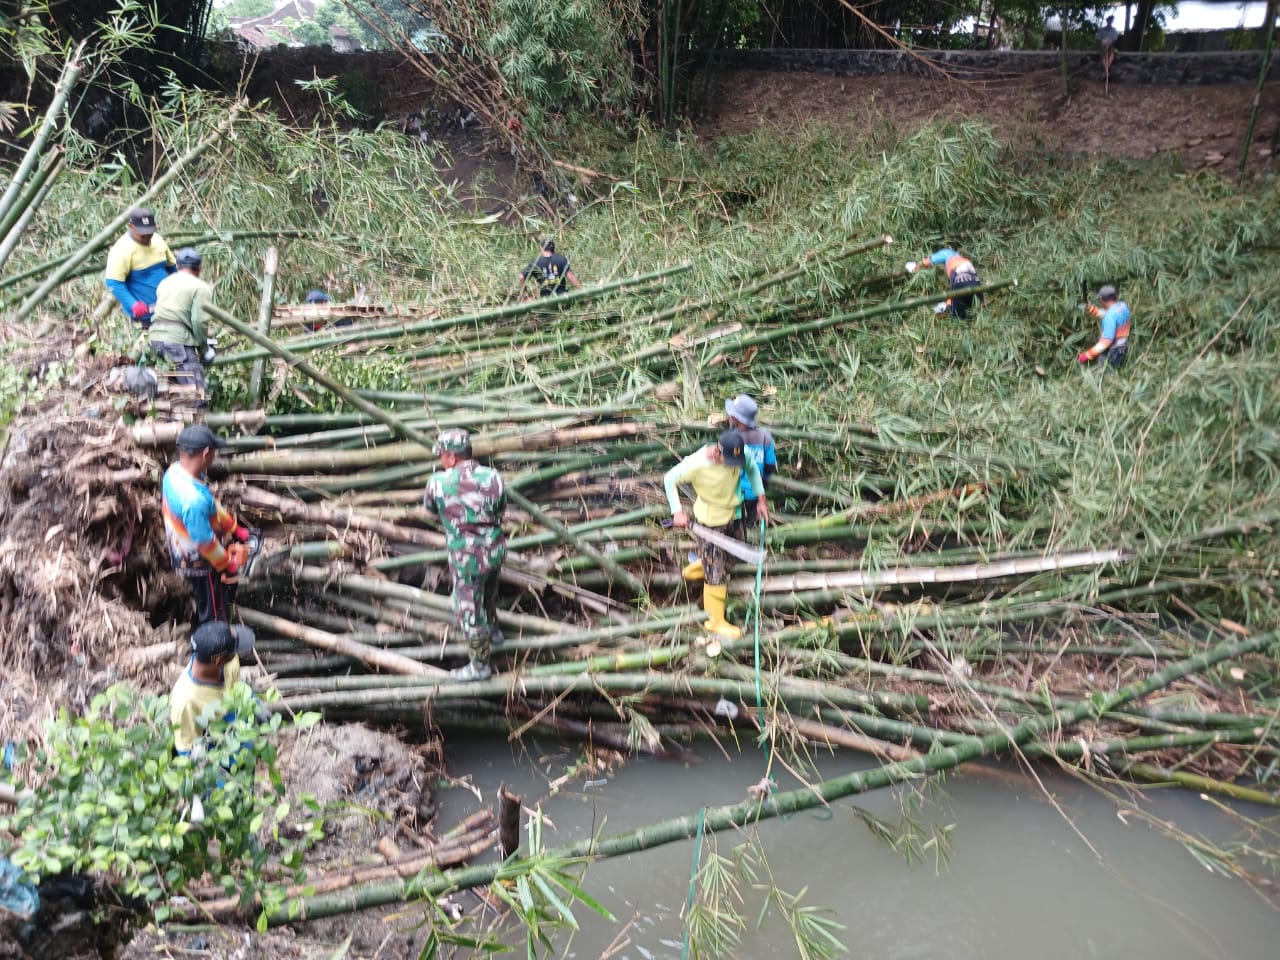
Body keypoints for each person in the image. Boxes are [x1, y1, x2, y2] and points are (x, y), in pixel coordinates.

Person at [665, 430, 769, 642]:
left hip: (733, 514)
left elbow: (752, 469)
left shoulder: (740, 454)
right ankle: (715, 621)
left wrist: (761, 499)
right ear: (717, 452)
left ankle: (701, 565)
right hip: (710, 522)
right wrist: (677, 511)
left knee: (734, 558)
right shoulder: (697, 464)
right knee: (716, 575)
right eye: (729, 461)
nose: (733, 465)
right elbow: (669, 479)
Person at [423, 429, 507, 682]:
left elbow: (430, 510)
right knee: (489, 592)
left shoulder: (438, 482)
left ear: (451, 457)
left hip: (467, 559)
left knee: (469, 611)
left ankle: (480, 665)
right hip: (494, 551)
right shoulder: (493, 477)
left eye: (442, 455)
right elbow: (501, 508)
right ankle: (494, 632)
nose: (441, 460)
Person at [162, 424, 253, 626]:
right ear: (205, 453)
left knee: (207, 602)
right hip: (200, 562)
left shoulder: (174, 472)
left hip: (184, 551)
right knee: (214, 612)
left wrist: (234, 528)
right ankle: (215, 641)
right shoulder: (192, 500)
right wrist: (227, 564)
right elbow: (205, 543)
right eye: (213, 452)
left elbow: (211, 505)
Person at [170, 620, 255, 757]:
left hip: (233, 715)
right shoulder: (185, 701)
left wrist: (253, 700)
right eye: (234, 650)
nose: (236, 654)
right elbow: (187, 751)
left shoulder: (230, 662)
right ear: (219, 660)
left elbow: (238, 686)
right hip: (213, 743)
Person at [148, 247, 213, 397]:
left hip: (154, 339)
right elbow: (198, 321)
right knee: (196, 393)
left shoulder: (164, 283)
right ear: (199, 268)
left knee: (168, 388)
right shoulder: (201, 287)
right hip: (176, 342)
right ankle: (197, 412)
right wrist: (204, 348)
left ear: (177, 266)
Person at [104, 207, 176, 328]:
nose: (147, 236)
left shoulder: (158, 240)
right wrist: (133, 305)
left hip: (168, 308)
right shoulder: (121, 249)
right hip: (146, 315)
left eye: (149, 232)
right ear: (130, 226)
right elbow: (114, 283)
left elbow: (173, 267)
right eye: (142, 233)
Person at [724, 394, 778, 533]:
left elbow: (725, 471)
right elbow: (770, 467)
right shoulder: (765, 437)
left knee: (734, 529)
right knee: (749, 525)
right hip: (755, 494)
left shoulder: (731, 439)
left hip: (734, 495)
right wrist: (762, 489)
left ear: (737, 418)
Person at [905, 247, 982, 319]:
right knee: (967, 301)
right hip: (973, 283)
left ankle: (955, 313)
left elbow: (944, 254)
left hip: (962, 278)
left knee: (957, 311)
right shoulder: (960, 261)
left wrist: (921, 264)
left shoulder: (952, 257)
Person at [1078, 284, 1132, 369]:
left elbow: (1105, 342)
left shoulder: (1109, 318)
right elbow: (1111, 314)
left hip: (1114, 350)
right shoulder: (1122, 306)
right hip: (1123, 345)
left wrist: (1087, 355)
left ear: (1102, 300)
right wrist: (1091, 309)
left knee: (1106, 372)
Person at [1097, 16, 1120, 84]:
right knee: (1103, 54)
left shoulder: (1114, 30)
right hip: (1103, 45)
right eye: (1109, 20)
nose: (1110, 22)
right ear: (1107, 21)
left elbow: (1114, 41)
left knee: (1112, 53)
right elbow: (1099, 40)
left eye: (1111, 21)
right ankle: (1107, 72)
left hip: (1110, 45)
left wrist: (1109, 46)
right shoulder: (1102, 30)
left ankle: (1106, 72)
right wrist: (1103, 47)